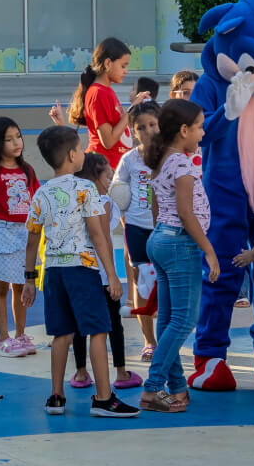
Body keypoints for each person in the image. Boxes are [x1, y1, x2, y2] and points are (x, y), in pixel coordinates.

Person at [21, 126, 139, 418]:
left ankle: (56, 396)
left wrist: (29, 279)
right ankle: (103, 398)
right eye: (81, 148)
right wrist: (111, 275)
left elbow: (33, 239)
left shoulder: (41, 193)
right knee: (98, 330)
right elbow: (98, 235)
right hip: (83, 270)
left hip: (54, 273)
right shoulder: (85, 189)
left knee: (62, 333)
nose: (84, 152)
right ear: (73, 155)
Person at [139, 99, 221, 413]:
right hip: (179, 243)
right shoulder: (183, 164)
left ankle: (176, 387)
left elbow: (159, 207)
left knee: (170, 319)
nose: (202, 132)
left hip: (161, 238)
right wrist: (209, 251)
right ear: (184, 130)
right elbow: (186, 213)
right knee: (184, 319)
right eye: (199, 127)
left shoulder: (162, 159)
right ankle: (152, 388)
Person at [68, 153, 142, 391]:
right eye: (107, 175)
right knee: (113, 323)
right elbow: (104, 241)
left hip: (80, 271)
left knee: (80, 324)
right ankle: (120, 372)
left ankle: (81, 372)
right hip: (102, 273)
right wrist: (113, 275)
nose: (110, 180)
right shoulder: (105, 203)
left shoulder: (74, 201)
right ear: (94, 176)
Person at [0, 117, 40, 358]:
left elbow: (37, 202)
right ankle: (3, 339)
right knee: (1, 286)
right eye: (8, 139)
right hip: (3, 232)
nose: (16, 142)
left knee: (21, 285)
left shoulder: (27, 170)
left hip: (26, 232)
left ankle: (20, 335)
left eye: (18, 136)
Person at [110, 101, 160, 358]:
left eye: (152, 124)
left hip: (164, 229)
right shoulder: (129, 159)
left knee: (167, 284)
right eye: (141, 127)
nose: (148, 130)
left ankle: (166, 336)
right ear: (133, 131)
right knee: (142, 283)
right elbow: (117, 189)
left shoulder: (171, 155)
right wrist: (122, 216)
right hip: (137, 228)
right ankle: (149, 340)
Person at [63, 37, 134, 169]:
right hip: (102, 169)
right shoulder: (98, 93)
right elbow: (108, 141)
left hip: (112, 166)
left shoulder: (106, 91)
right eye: (123, 66)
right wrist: (131, 112)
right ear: (108, 63)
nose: (126, 71)